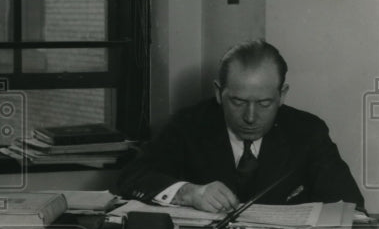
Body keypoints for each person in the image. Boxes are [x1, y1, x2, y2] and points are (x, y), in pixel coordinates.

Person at [116, 39, 365, 212]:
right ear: (218, 93)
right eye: (238, 101)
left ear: (283, 95)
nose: (250, 116)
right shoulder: (189, 124)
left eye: (265, 103)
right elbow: (130, 178)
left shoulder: (308, 131)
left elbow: (349, 205)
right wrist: (189, 193)